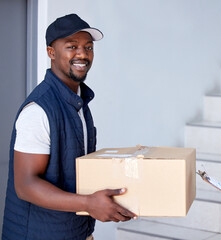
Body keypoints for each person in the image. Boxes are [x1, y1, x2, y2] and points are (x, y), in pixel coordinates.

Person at [2, 14, 136, 240]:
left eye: (88, 47)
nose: (82, 54)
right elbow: (25, 185)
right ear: (51, 52)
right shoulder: (39, 110)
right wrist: (88, 203)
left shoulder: (79, 102)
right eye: (72, 46)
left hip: (76, 232)